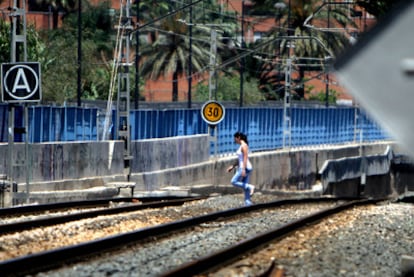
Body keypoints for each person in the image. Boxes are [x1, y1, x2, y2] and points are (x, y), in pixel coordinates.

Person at [227, 131, 255, 206]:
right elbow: (240, 159)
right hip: (244, 167)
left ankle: (250, 187)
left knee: (233, 181)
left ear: (238, 138)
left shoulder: (244, 146)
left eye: (235, 138)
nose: (234, 140)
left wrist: (243, 169)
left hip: (244, 168)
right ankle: (248, 203)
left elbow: (245, 157)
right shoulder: (241, 146)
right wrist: (233, 166)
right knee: (244, 185)